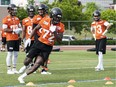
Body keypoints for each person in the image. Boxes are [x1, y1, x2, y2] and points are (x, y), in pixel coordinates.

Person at [18, 7, 65, 83]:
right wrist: (29, 38)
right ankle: (26, 66)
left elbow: (60, 40)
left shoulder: (61, 26)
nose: (58, 19)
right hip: (39, 43)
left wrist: (55, 32)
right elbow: (36, 28)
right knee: (27, 61)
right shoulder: (46, 20)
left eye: (59, 17)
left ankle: (21, 77)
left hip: (47, 47)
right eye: (56, 17)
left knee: (37, 64)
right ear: (52, 16)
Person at [19, 4, 51, 74]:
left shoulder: (48, 18)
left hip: (45, 39)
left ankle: (44, 69)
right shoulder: (36, 18)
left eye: (41, 10)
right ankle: (28, 66)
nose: (40, 12)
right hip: (38, 39)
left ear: (45, 10)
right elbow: (35, 29)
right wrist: (31, 38)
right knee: (32, 54)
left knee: (45, 55)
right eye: (39, 10)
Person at [2, 4, 22, 74]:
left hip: (16, 38)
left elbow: (20, 27)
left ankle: (14, 68)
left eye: (14, 9)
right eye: (13, 9)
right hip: (10, 39)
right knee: (10, 54)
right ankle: (8, 69)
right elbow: (4, 29)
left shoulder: (17, 18)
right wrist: (13, 30)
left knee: (16, 54)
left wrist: (20, 30)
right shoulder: (6, 19)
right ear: (9, 10)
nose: (14, 11)